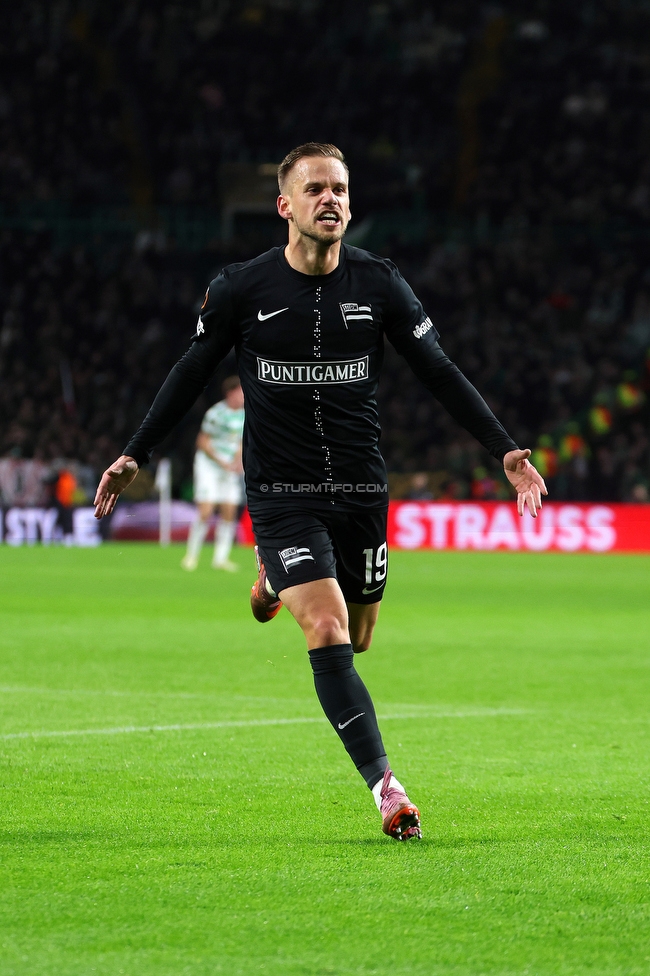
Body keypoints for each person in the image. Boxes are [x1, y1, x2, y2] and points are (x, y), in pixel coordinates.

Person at [94, 142, 547, 842]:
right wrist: (136, 452)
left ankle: (272, 583)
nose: (330, 199)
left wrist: (507, 451)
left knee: (361, 637)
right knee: (328, 628)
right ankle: (386, 788)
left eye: (339, 188)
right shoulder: (242, 289)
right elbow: (189, 371)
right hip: (280, 490)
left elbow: (440, 370)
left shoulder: (381, 284)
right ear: (286, 206)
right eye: (315, 190)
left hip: (362, 486)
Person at [181, 375, 244, 572]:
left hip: (229, 467)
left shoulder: (246, 414)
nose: (243, 395)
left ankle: (221, 559)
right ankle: (191, 556)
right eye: (240, 392)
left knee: (229, 510)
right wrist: (221, 461)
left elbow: (242, 441)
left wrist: (237, 462)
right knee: (206, 510)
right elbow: (203, 441)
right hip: (209, 465)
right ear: (230, 393)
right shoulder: (216, 413)